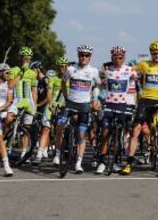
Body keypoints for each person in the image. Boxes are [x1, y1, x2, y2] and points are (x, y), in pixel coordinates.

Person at [120, 40, 158, 175]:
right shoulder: (144, 65)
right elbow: (127, 70)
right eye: (154, 53)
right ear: (151, 53)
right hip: (145, 101)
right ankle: (129, 163)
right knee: (136, 130)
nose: (156, 55)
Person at [53, 45, 100, 173]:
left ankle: (78, 163)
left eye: (86, 55)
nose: (84, 57)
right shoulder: (70, 69)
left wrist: (95, 100)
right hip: (70, 103)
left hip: (84, 105)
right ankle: (57, 154)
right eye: (81, 55)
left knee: (81, 134)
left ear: (90, 57)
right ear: (78, 55)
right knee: (60, 126)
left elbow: (96, 86)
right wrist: (66, 96)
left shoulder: (94, 71)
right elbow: (63, 82)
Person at [96, 46, 137, 174]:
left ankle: (113, 162)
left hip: (123, 105)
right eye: (115, 57)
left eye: (120, 57)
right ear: (111, 57)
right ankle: (102, 162)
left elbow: (137, 85)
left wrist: (133, 105)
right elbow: (99, 82)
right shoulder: (107, 70)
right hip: (109, 105)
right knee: (105, 133)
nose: (118, 59)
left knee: (118, 135)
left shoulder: (130, 70)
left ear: (124, 57)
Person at [4, 46, 38, 159]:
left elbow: (34, 90)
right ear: (20, 58)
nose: (26, 60)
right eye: (24, 58)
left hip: (28, 101)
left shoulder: (33, 73)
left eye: (28, 58)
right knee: (9, 118)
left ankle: (24, 153)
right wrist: (20, 74)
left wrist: (35, 105)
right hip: (17, 101)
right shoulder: (13, 70)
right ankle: (3, 140)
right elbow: (10, 85)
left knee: (27, 128)